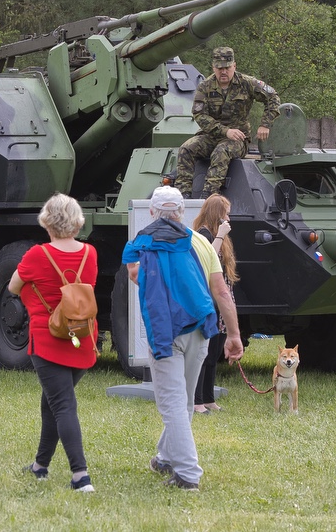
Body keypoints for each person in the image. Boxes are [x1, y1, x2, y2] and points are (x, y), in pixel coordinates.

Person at [122, 186, 244, 491]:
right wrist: (234, 334)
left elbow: (136, 275)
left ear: (152, 213)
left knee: (173, 404)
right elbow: (222, 293)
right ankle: (165, 457)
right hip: (201, 327)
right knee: (185, 401)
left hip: (165, 332)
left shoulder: (140, 244)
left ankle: (188, 473)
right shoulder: (202, 242)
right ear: (181, 213)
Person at [8, 193, 98, 493]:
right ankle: (40, 465)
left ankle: (80, 476)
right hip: (82, 338)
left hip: (48, 339)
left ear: (47, 221)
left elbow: (12, 286)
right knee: (53, 402)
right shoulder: (90, 253)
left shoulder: (37, 254)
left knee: (62, 405)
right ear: (76, 221)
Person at [174, 46, 280, 199]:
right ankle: (182, 195)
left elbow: (273, 97)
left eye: (227, 68)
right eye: (219, 68)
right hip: (211, 136)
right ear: (213, 67)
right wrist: (225, 131)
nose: (223, 72)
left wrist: (265, 124)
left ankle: (208, 196)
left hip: (238, 139)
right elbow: (199, 114)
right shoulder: (205, 86)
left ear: (234, 66)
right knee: (186, 148)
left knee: (221, 151)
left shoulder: (247, 83)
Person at [191, 194, 237, 414]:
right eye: (225, 213)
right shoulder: (203, 234)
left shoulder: (220, 235)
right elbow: (207, 259)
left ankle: (208, 398)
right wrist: (219, 236)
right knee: (203, 353)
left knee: (213, 354)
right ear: (217, 214)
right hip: (207, 300)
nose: (228, 217)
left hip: (218, 303)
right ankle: (197, 401)